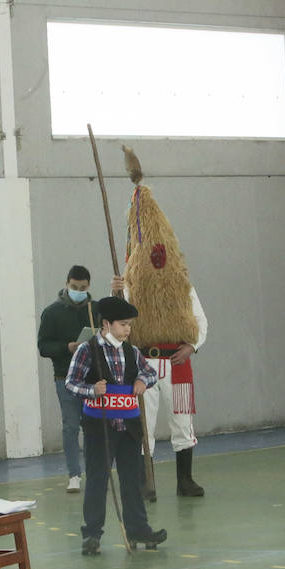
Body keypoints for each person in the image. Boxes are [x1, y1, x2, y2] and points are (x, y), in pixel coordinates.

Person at [118, 149, 209, 499]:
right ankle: (146, 481)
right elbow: (119, 320)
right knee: (143, 422)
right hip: (145, 363)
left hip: (178, 363)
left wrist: (193, 346)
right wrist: (117, 292)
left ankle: (185, 479)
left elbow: (200, 321)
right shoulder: (132, 286)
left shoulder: (183, 288)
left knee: (182, 420)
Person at [64, 296, 167, 556]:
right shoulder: (87, 350)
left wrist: (143, 380)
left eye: (129, 325)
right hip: (100, 427)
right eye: (123, 325)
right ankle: (92, 534)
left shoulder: (130, 351)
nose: (128, 330)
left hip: (129, 426)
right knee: (98, 478)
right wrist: (91, 389)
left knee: (132, 478)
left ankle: (138, 528)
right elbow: (71, 382)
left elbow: (150, 371)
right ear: (107, 324)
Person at [38, 265, 98, 493]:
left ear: (88, 287)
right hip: (65, 378)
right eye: (74, 287)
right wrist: (66, 347)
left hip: (93, 379)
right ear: (66, 284)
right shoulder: (52, 313)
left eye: (82, 288)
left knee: (94, 427)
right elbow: (43, 346)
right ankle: (74, 474)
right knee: (71, 427)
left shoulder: (96, 309)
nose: (78, 291)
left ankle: (95, 471)